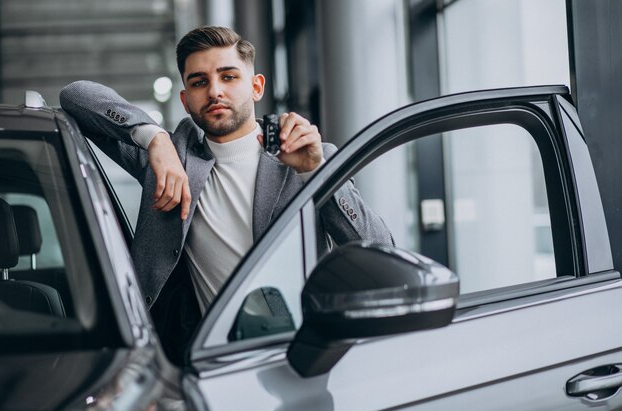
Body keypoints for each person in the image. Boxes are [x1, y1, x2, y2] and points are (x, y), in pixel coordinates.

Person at [60, 26, 392, 363]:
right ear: (186, 100)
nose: (215, 91)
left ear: (256, 86)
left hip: (305, 355)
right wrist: (155, 138)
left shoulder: (308, 157)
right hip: (209, 364)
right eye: (199, 82)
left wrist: (315, 172)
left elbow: (379, 250)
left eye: (229, 76)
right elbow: (75, 95)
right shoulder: (169, 160)